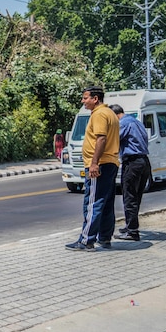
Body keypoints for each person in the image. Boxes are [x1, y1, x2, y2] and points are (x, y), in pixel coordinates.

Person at [66, 86, 119, 251]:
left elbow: (101, 139)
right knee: (106, 202)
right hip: (110, 162)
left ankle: (86, 240)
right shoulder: (110, 113)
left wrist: (94, 163)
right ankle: (104, 237)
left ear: (95, 98)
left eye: (85, 98)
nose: (83, 101)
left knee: (93, 202)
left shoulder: (99, 114)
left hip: (99, 164)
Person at [109, 104, 149, 241]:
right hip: (144, 162)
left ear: (114, 116)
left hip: (132, 163)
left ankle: (132, 231)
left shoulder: (122, 124)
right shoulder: (136, 122)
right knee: (136, 197)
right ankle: (130, 226)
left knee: (129, 197)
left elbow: (112, 139)